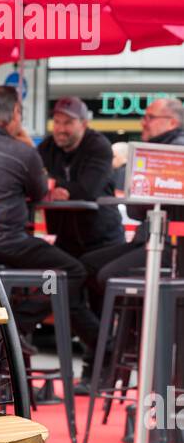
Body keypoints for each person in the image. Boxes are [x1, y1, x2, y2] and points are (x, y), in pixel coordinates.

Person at [0, 85, 100, 360]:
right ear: (14, 113)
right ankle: (11, 325)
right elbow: (39, 192)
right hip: (6, 242)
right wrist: (25, 144)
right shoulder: (22, 152)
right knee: (73, 271)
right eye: (20, 114)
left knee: (47, 270)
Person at [82, 97, 184, 302]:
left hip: (172, 248)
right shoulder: (154, 151)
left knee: (107, 275)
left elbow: (136, 208)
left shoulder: (173, 152)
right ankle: (113, 330)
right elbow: (135, 210)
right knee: (88, 264)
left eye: (150, 117)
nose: (143, 122)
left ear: (172, 122)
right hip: (151, 240)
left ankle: (131, 329)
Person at [37, 96, 124, 255]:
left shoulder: (99, 146)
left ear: (84, 124)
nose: (61, 128)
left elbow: (87, 191)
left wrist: (53, 185)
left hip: (103, 239)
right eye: (57, 122)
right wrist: (51, 187)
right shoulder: (47, 147)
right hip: (64, 238)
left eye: (68, 122)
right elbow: (35, 177)